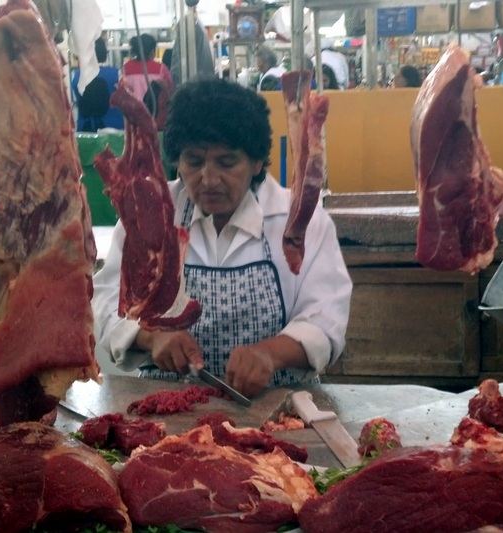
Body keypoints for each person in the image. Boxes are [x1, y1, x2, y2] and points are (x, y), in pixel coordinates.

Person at [92, 78, 353, 398]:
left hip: (277, 406)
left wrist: (270, 354)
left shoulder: (298, 221)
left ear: (256, 162)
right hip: (168, 406)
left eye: (227, 162)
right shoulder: (151, 214)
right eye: (194, 161)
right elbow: (105, 303)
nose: (209, 179)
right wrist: (151, 337)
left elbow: (327, 317)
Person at [72, 36, 124, 132]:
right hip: (114, 127)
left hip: (85, 129)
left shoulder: (77, 76)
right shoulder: (117, 74)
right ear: (105, 54)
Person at [169, 8, 216, 86]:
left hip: (191, 81)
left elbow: (176, 67)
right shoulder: (197, 25)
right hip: (202, 80)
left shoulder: (192, 24)